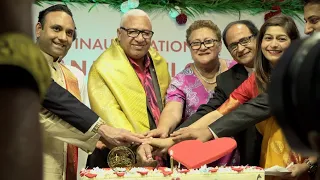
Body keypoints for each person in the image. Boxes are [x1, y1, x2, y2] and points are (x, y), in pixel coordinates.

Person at [174, 15, 318, 180]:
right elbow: (221, 110)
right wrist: (172, 139)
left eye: (281, 39)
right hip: (273, 164)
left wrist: (308, 164)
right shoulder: (257, 79)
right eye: (268, 38)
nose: (273, 44)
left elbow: (253, 109)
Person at [142, 20, 262, 166]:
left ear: (219, 45)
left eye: (209, 42)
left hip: (245, 150)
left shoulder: (240, 69)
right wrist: (166, 134)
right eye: (196, 43)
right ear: (189, 47)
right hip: (196, 151)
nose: (203, 47)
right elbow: (210, 111)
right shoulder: (185, 80)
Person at [87, 9, 170, 167]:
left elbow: (167, 104)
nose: (140, 39)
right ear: (119, 33)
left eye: (146, 33)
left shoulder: (159, 63)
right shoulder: (103, 67)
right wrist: (140, 143)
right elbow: (109, 112)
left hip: (160, 150)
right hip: (122, 154)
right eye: (132, 32)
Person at [0, 1, 51, 180]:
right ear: (38, 29)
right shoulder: (19, 54)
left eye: (70, 32)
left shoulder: (71, 74)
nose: (63, 38)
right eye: (56, 29)